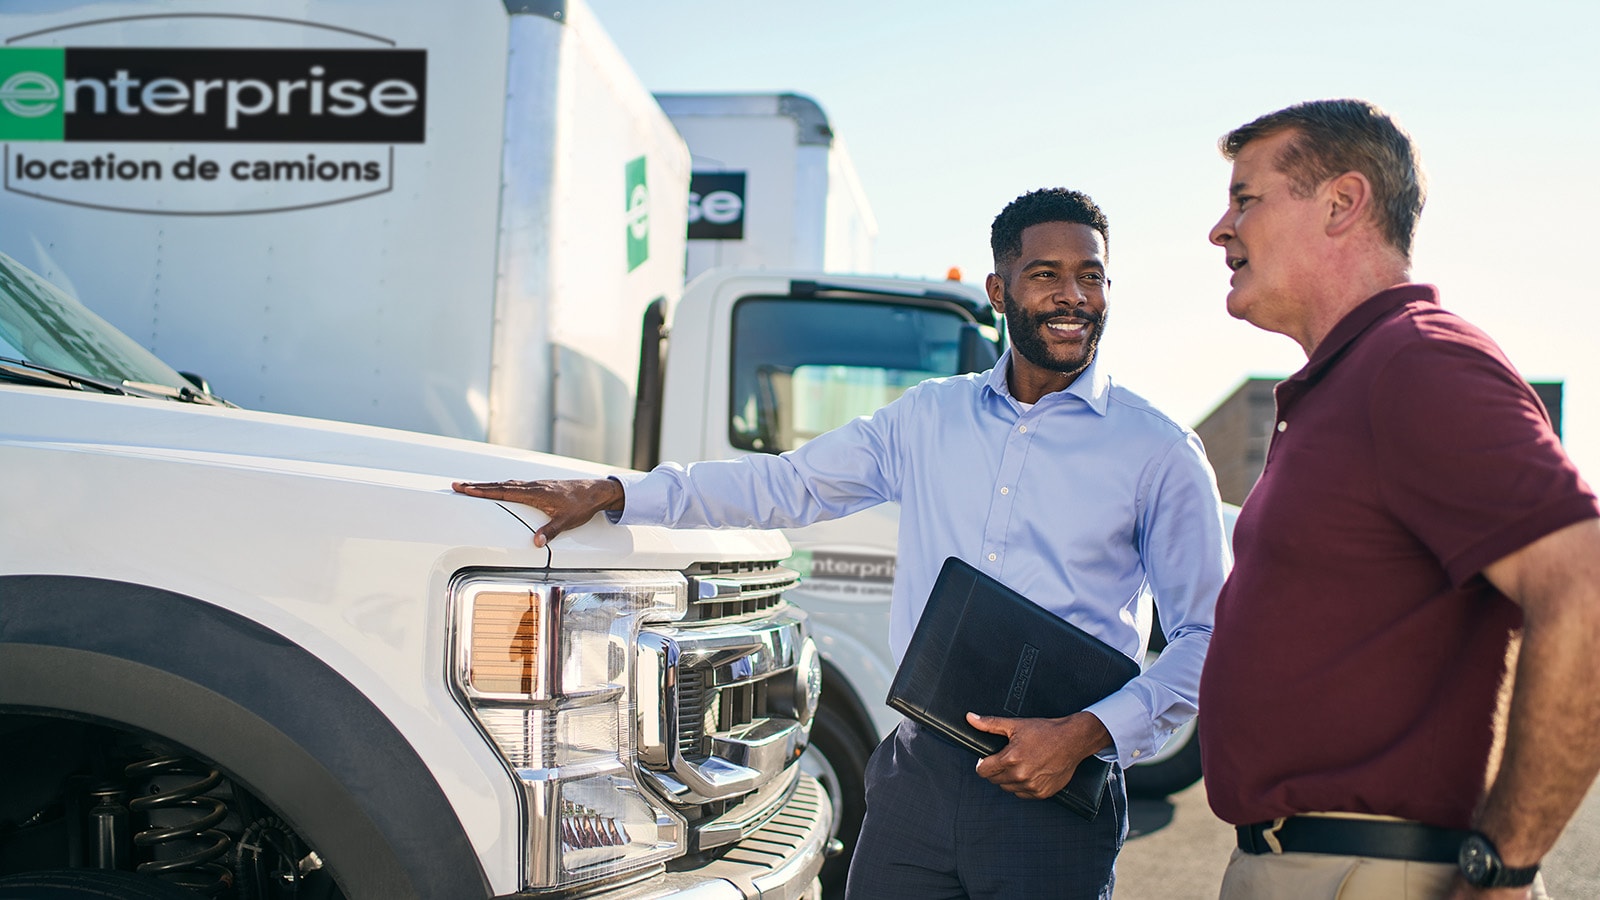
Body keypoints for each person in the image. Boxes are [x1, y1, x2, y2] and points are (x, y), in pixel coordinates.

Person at [455, 188, 1230, 899]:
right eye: (1046, 274)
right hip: (917, 777)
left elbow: (1211, 638)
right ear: (1000, 291)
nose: (1073, 297)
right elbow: (783, 486)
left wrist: (1085, 736)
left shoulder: (1158, 451)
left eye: (1091, 277)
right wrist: (622, 493)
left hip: (1053, 793)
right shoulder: (928, 418)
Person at [1198, 98, 1600, 900]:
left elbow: (1586, 591)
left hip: (1371, 874)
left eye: (1247, 199)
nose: (1220, 228)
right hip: (1312, 866)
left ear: (1343, 203)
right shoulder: (1353, 379)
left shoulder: (1418, 364)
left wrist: (1502, 867)